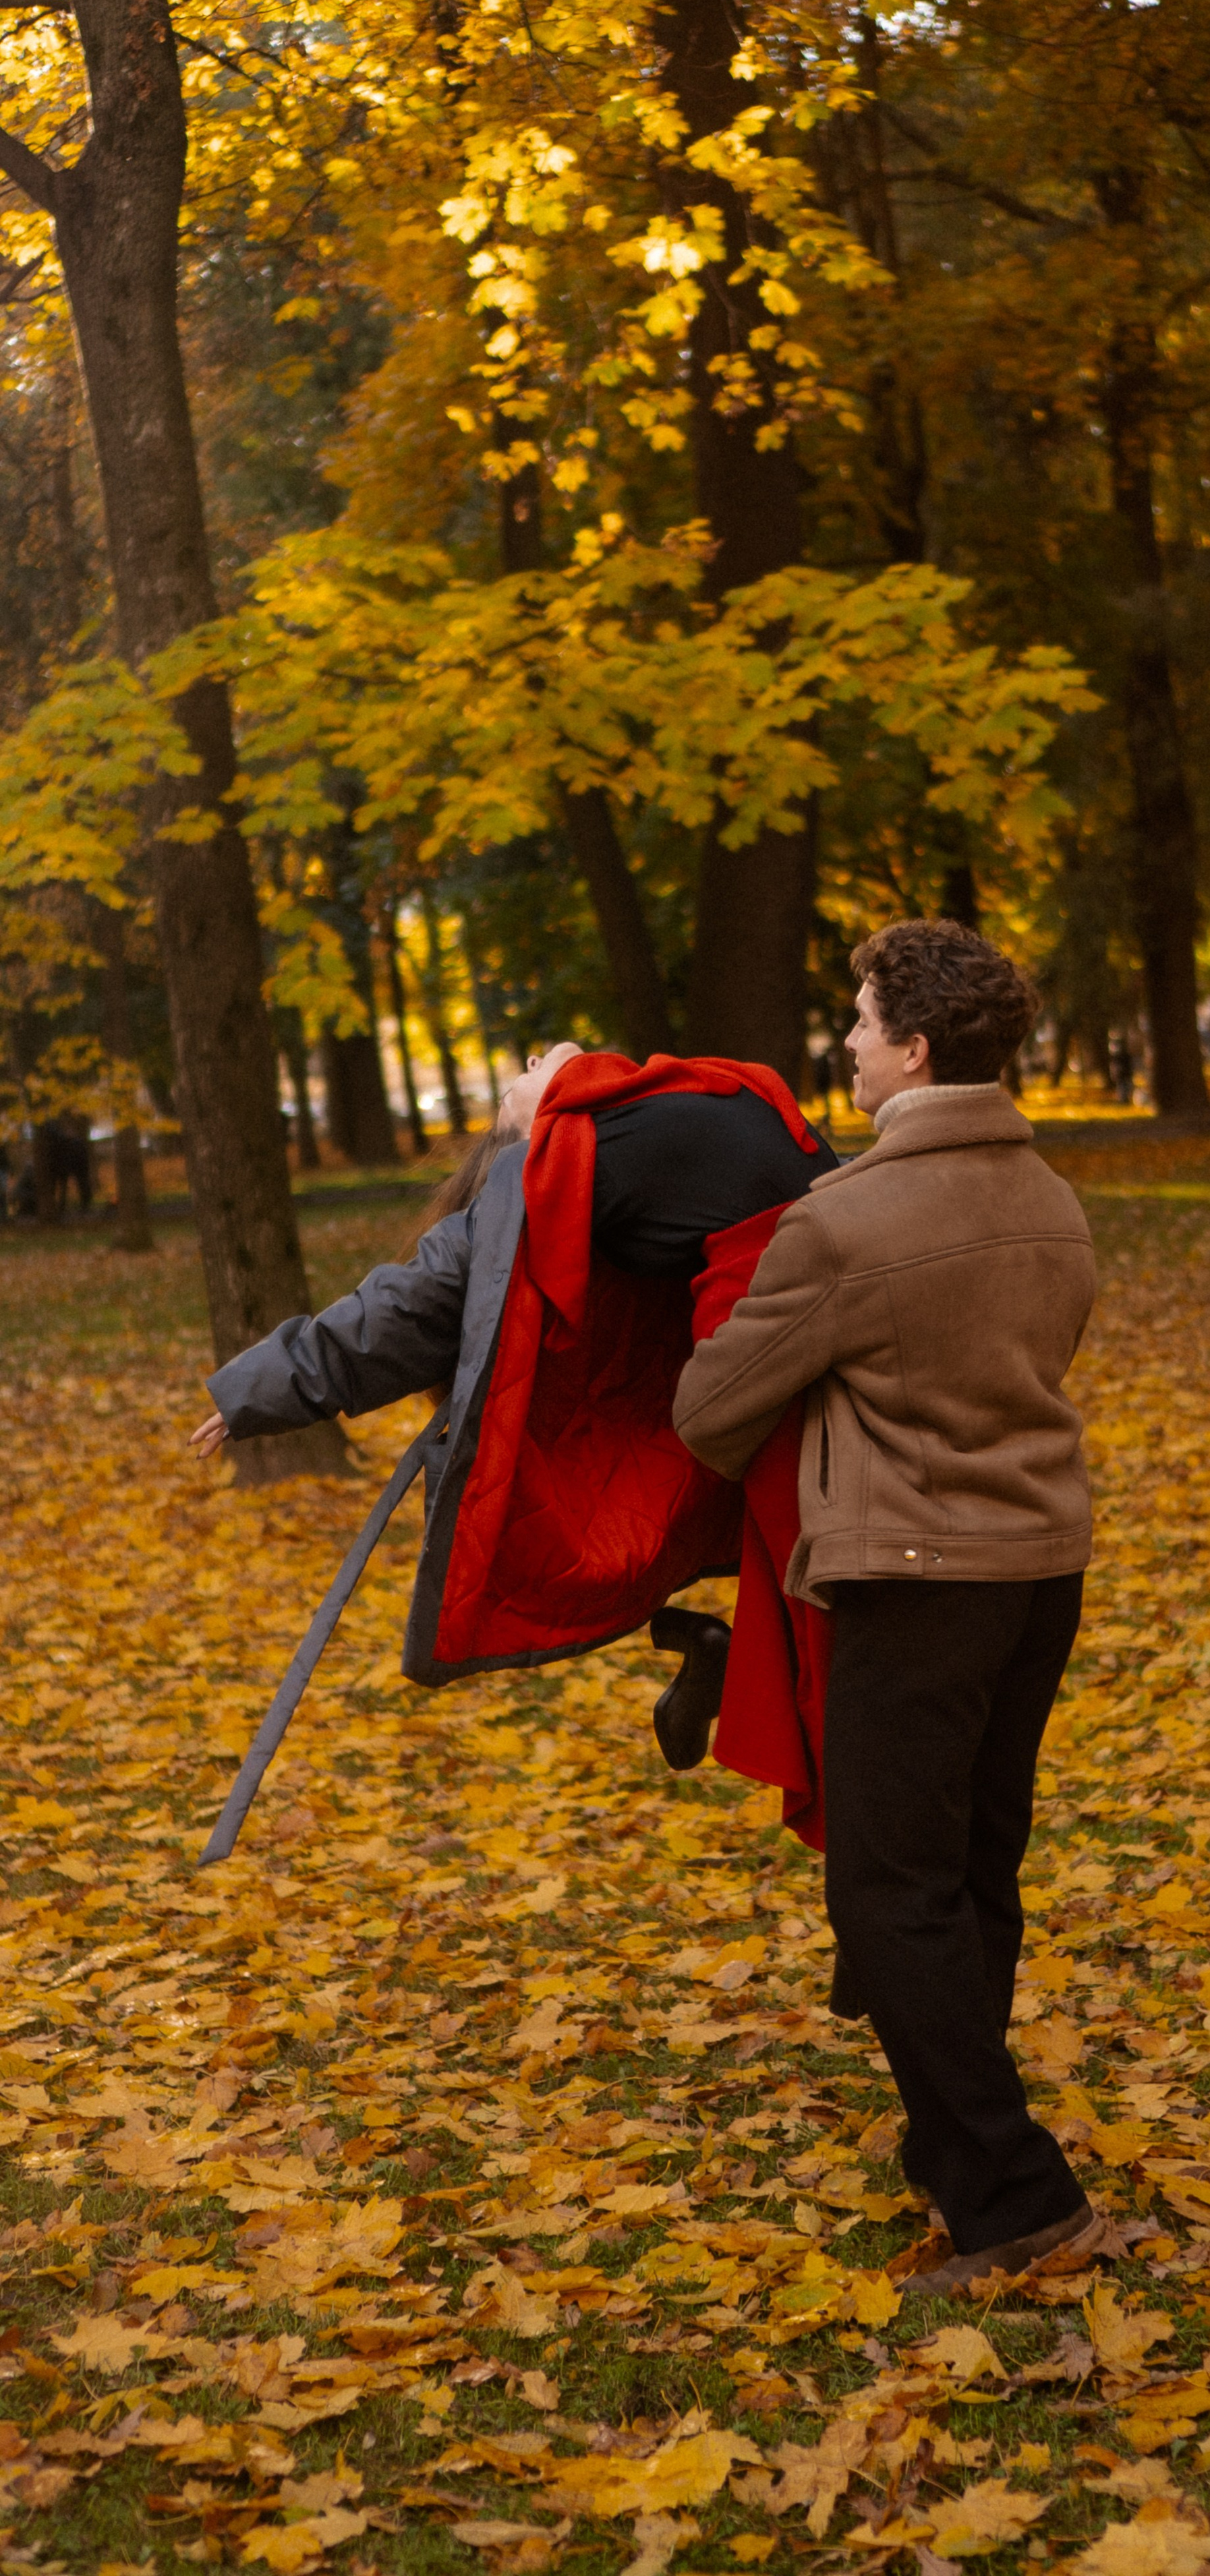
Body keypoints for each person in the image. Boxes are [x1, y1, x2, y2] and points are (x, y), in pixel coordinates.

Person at [672, 920, 1105, 2296]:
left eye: (858, 1023)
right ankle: (954, 2143)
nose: (843, 1045)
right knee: (972, 1870)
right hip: (1041, 1572)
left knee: (884, 1889)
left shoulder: (843, 1223)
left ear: (912, 1050)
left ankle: (1013, 2199)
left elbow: (706, 1412)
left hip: (917, 1585)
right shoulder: (1053, 1197)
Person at [190, 1041, 838, 1767]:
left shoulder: (675, 1097)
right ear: (529, 1129)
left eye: (530, 1066)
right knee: (828, 1640)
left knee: (827, 1623)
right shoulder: (557, 1164)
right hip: (802, 1370)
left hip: (824, 1349)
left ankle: (726, 1662)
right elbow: (412, 1305)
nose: (530, 1064)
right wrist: (267, 1385)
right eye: (518, 1085)